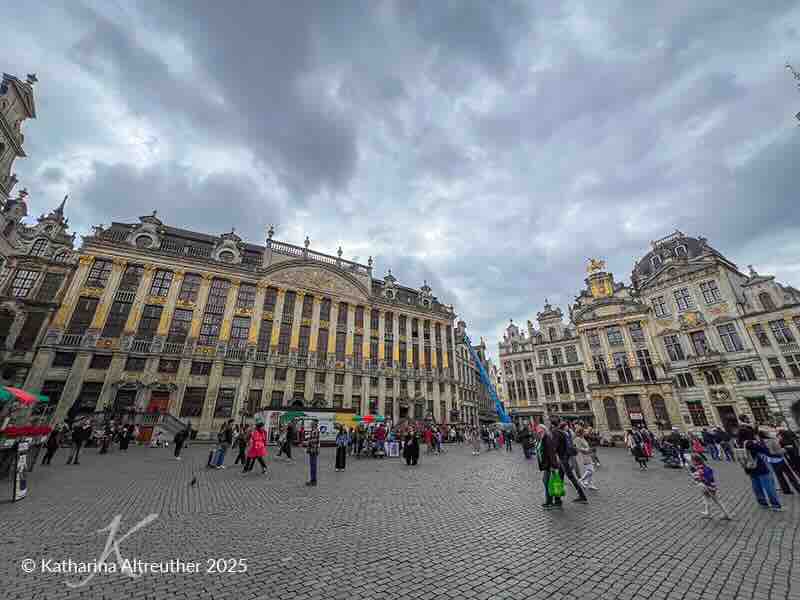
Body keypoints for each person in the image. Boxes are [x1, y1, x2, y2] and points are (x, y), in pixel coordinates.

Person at [735, 426, 782, 511]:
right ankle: (775, 504)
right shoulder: (750, 443)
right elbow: (766, 451)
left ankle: (762, 502)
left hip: (748, 467)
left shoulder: (738, 443)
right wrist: (758, 441)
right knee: (768, 486)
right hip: (759, 466)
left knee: (756, 486)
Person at [550, 416, 588, 504]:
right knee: (560, 477)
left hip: (563, 458)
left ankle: (582, 496)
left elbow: (555, 447)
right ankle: (558, 498)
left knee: (571, 477)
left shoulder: (555, 432)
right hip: (564, 457)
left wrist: (552, 458)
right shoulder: (562, 432)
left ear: (552, 424)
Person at [690, 453, 733, 520]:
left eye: (692, 461)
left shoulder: (699, 469)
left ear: (696, 461)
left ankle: (727, 514)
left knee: (716, 500)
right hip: (710, 486)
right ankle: (708, 512)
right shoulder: (705, 467)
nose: (692, 462)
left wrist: (693, 473)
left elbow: (697, 478)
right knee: (706, 499)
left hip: (706, 487)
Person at [759, 429, 800, 494]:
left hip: (771, 461)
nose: (769, 432)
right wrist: (786, 448)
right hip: (779, 460)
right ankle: (798, 488)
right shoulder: (772, 441)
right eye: (767, 432)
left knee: (780, 477)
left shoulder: (761, 442)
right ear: (765, 434)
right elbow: (778, 451)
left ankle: (786, 490)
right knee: (790, 475)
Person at [306, 420, 321, 486]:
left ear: (314, 425)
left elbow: (315, 440)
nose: (310, 425)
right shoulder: (313, 431)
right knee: (312, 465)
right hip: (312, 449)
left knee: (313, 466)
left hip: (313, 450)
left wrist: (307, 441)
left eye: (311, 424)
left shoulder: (315, 431)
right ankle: (312, 480)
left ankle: (313, 480)